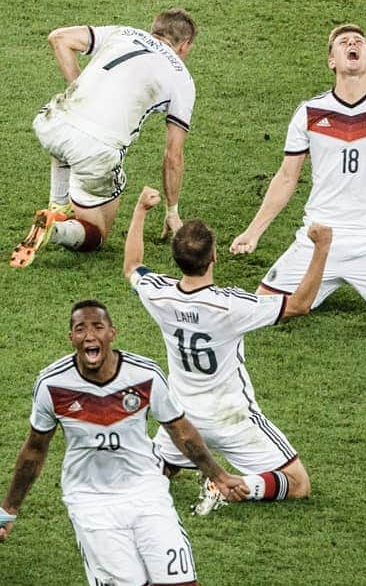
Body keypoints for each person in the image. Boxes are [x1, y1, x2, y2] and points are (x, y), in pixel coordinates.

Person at [0, 300, 248, 586]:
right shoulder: (52, 385)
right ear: (72, 338)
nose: (89, 335)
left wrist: (217, 474)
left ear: (112, 333)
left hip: (145, 492)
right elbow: (34, 452)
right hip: (90, 504)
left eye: (98, 326)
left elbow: (180, 429)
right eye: (80, 328)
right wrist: (7, 512)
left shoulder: (145, 376)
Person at [124, 186, 333, 515]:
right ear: (214, 257)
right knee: (297, 482)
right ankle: (232, 486)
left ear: (177, 260)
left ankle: (144, 473)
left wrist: (140, 211)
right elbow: (299, 305)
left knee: (159, 469)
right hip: (231, 419)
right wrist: (322, 247)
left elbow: (132, 266)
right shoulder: (231, 306)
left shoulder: (158, 295)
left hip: (181, 421)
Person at [230, 24, 366, 327]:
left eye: (359, 42)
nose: (352, 44)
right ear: (332, 61)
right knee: (264, 308)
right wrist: (253, 232)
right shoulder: (310, 112)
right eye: (343, 42)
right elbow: (287, 177)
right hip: (318, 237)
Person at [11, 9, 198, 269]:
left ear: (155, 28)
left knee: (68, 140)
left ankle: (58, 205)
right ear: (185, 45)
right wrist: (172, 211)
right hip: (94, 149)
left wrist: (79, 90)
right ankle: (54, 230)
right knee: (96, 234)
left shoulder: (122, 32)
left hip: (51, 122)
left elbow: (59, 38)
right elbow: (173, 156)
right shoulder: (182, 79)